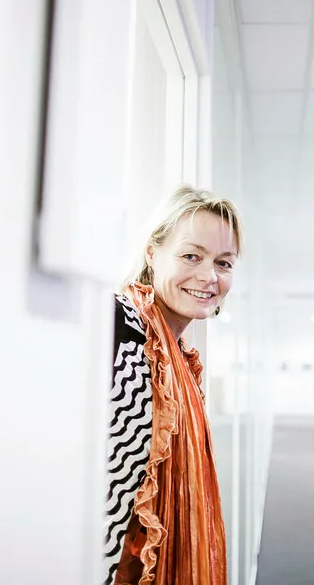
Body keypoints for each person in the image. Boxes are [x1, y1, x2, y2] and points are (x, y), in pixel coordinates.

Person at [104, 185, 241, 585]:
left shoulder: (178, 355)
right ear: (152, 252)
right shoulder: (117, 326)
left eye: (223, 263)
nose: (209, 277)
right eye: (191, 256)